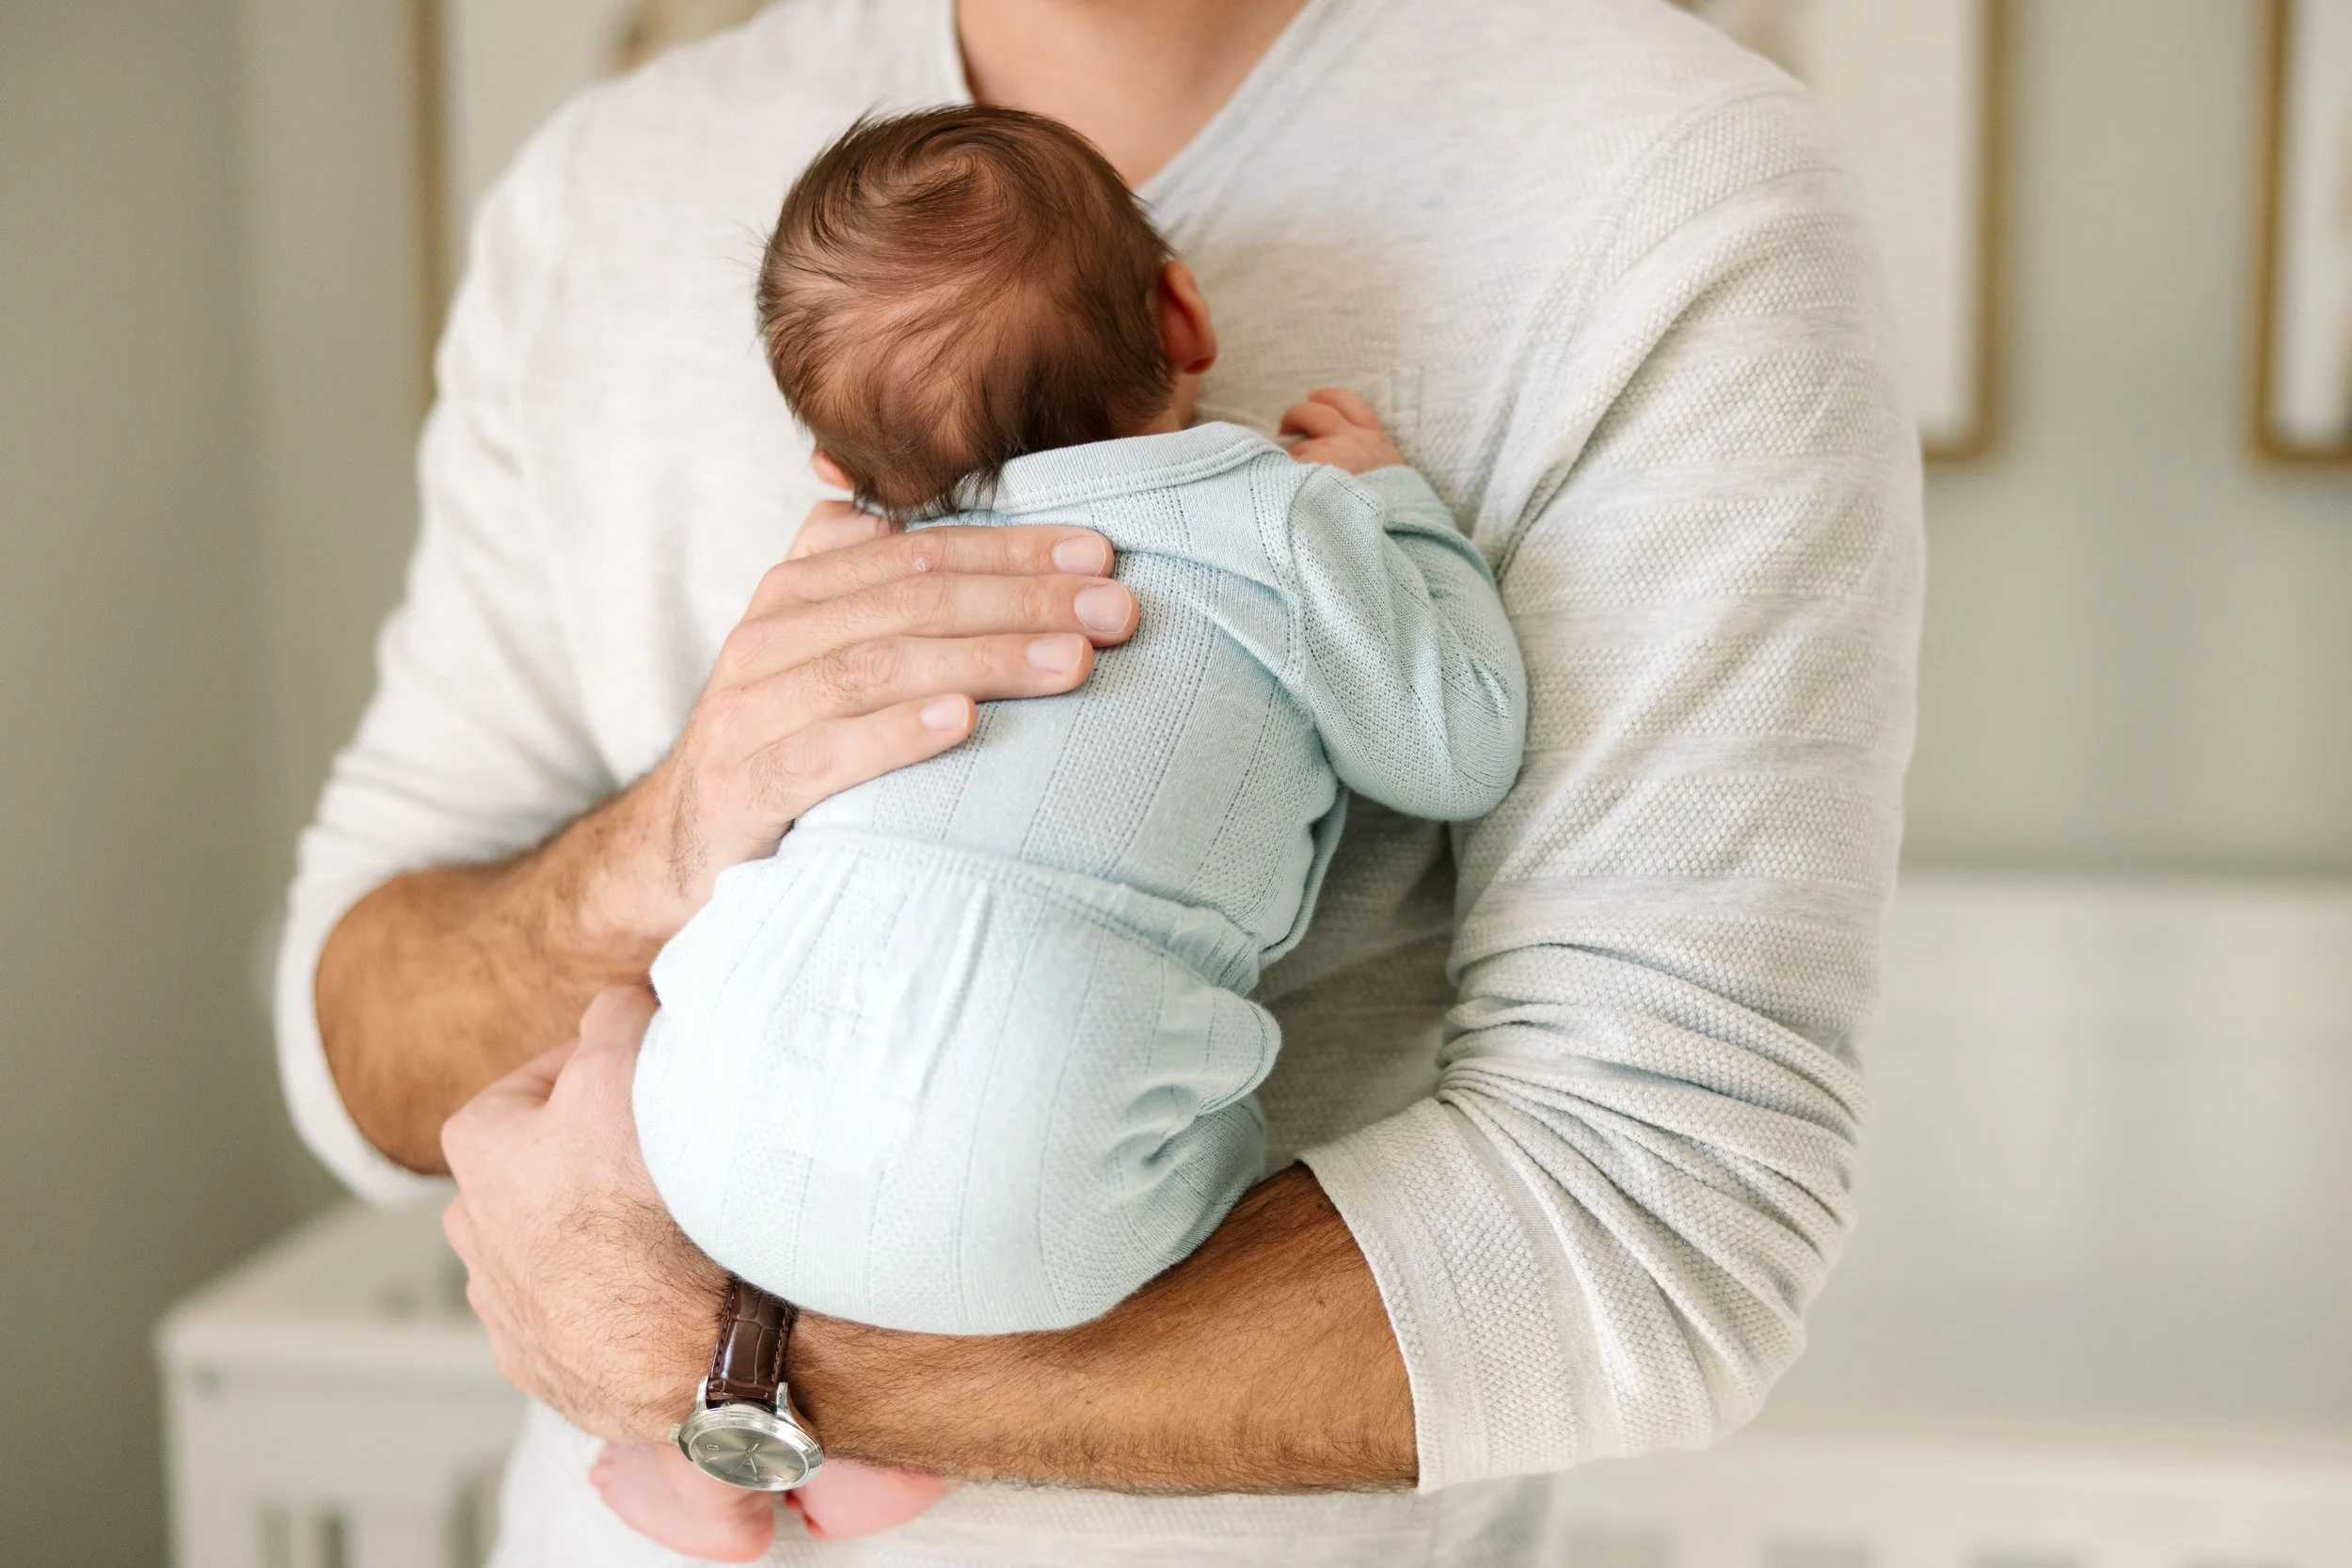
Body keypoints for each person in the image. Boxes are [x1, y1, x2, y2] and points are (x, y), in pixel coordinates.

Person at [276, 0, 1922, 1562]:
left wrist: (727, 1364)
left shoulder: (1674, 183)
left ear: (841, 480)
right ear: (1187, 319)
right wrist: (675, 823)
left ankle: (698, 1465)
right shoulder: (596, 187)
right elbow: (355, 1048)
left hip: (706, 1162)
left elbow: (1660, 1233)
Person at [598, 103, 1525, 1559]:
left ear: (837, 473)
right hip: (1049, 1157)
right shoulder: (1275, 517)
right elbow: (1461, 741)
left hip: (704, 1115)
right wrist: (1390, 504)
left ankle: (737, 1433)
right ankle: (885, 1432)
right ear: (1181, 312)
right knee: (1087, 1147)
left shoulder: (856, 575)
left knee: (781, 1124)